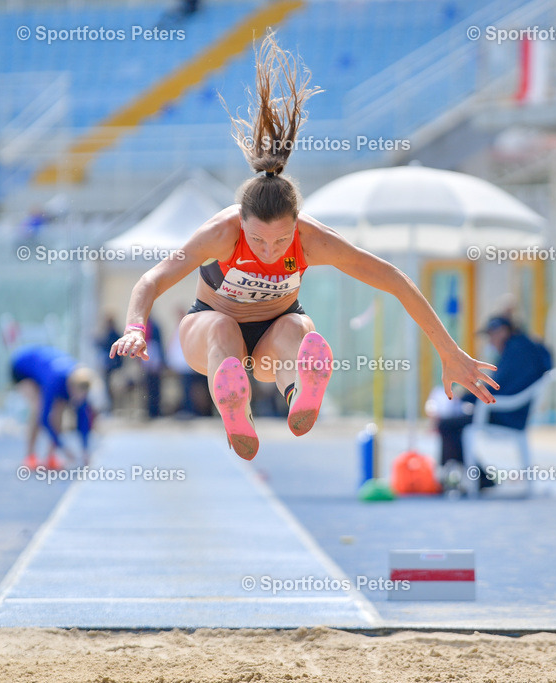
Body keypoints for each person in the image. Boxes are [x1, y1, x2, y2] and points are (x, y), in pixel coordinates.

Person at [109, 31, 498, 460]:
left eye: (280, 240)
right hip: (211, 330)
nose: (269, 250)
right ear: (241, 222)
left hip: (277, 334)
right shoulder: (221, 233)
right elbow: (152, 279)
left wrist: (449, 351)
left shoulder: (312, 240)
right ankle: (234, 405)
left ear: (296, 225)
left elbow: (393, 279)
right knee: (223, 330)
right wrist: (134, 327)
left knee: (298, 329)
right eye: (256, 239)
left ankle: (299, 393)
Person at [434, 316, 552, 486]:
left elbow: (499, 387)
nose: (490, 341)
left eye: (491, 335)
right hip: (510, 412)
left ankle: (468, 479)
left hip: (507, 414)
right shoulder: (522, 348)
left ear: (503, 331)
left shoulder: (516, 350)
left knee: (446, 424)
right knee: (451, 424)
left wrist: (463, 398)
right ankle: (474, 478)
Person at [10, 345, 97, 470]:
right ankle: (30, 456)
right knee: (38, 407)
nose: (78, 400)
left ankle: (51, 456)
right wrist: (64, 447)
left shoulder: (81, 385)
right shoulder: (55, 381)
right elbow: (45, 418)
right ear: (70, 387)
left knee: (59, 410)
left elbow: (82, 419)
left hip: (43, 369)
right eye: (76, 395)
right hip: (22, 367)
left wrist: (85, 450)